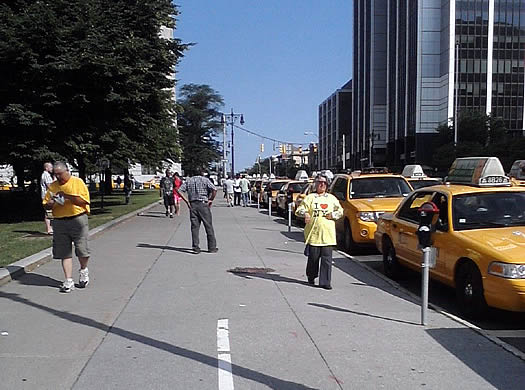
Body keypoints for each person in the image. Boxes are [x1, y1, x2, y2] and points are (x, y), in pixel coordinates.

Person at [42, 162, 91, 293]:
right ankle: (68, 280)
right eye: (55, 174)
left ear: (67, 171)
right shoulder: (53, 186)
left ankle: (83, 270)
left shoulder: (77, 182)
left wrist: (67, 196)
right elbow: (46, 205)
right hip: (60, 221)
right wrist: (52, 202)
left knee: (82, 249)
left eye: (60, 174)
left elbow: (84, 201)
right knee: (64, 252)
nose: (58, 177)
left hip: (77, 219)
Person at [295, 174, 342, 289]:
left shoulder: (331, 198)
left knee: (326, 260)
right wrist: (305, 213)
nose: (322, 185)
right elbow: (299, 210)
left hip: (328, 235)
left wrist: (334, 215)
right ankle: (311, 276)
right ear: (315, 184)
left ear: (327, 185)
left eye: (324, 183)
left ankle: (325, 282)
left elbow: (340, 211)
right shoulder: (310, 198)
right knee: (313, 259)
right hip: (314, 235)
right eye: (319, 183)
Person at [175, 168, 218, 254]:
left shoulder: (189, 181)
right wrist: (211, 199)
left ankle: (195, 247)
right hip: (203, 204)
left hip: (193, 204)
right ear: (202, 173)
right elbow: (214, 189)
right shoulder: (205, 180)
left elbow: (179, 190)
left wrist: (186, 201)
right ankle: (212, 247)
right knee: (208, 226)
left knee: (195, 227)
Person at [40, 162, 55, 235]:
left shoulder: (47, 175)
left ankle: (51, 228)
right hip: (47, 196)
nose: (52, 169)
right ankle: (49, 229)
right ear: (46, 168)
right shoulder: (46, 175)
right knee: (48, 212)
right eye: (51, 167)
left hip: (48, 196)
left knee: (50, 212)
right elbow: (50, 186)